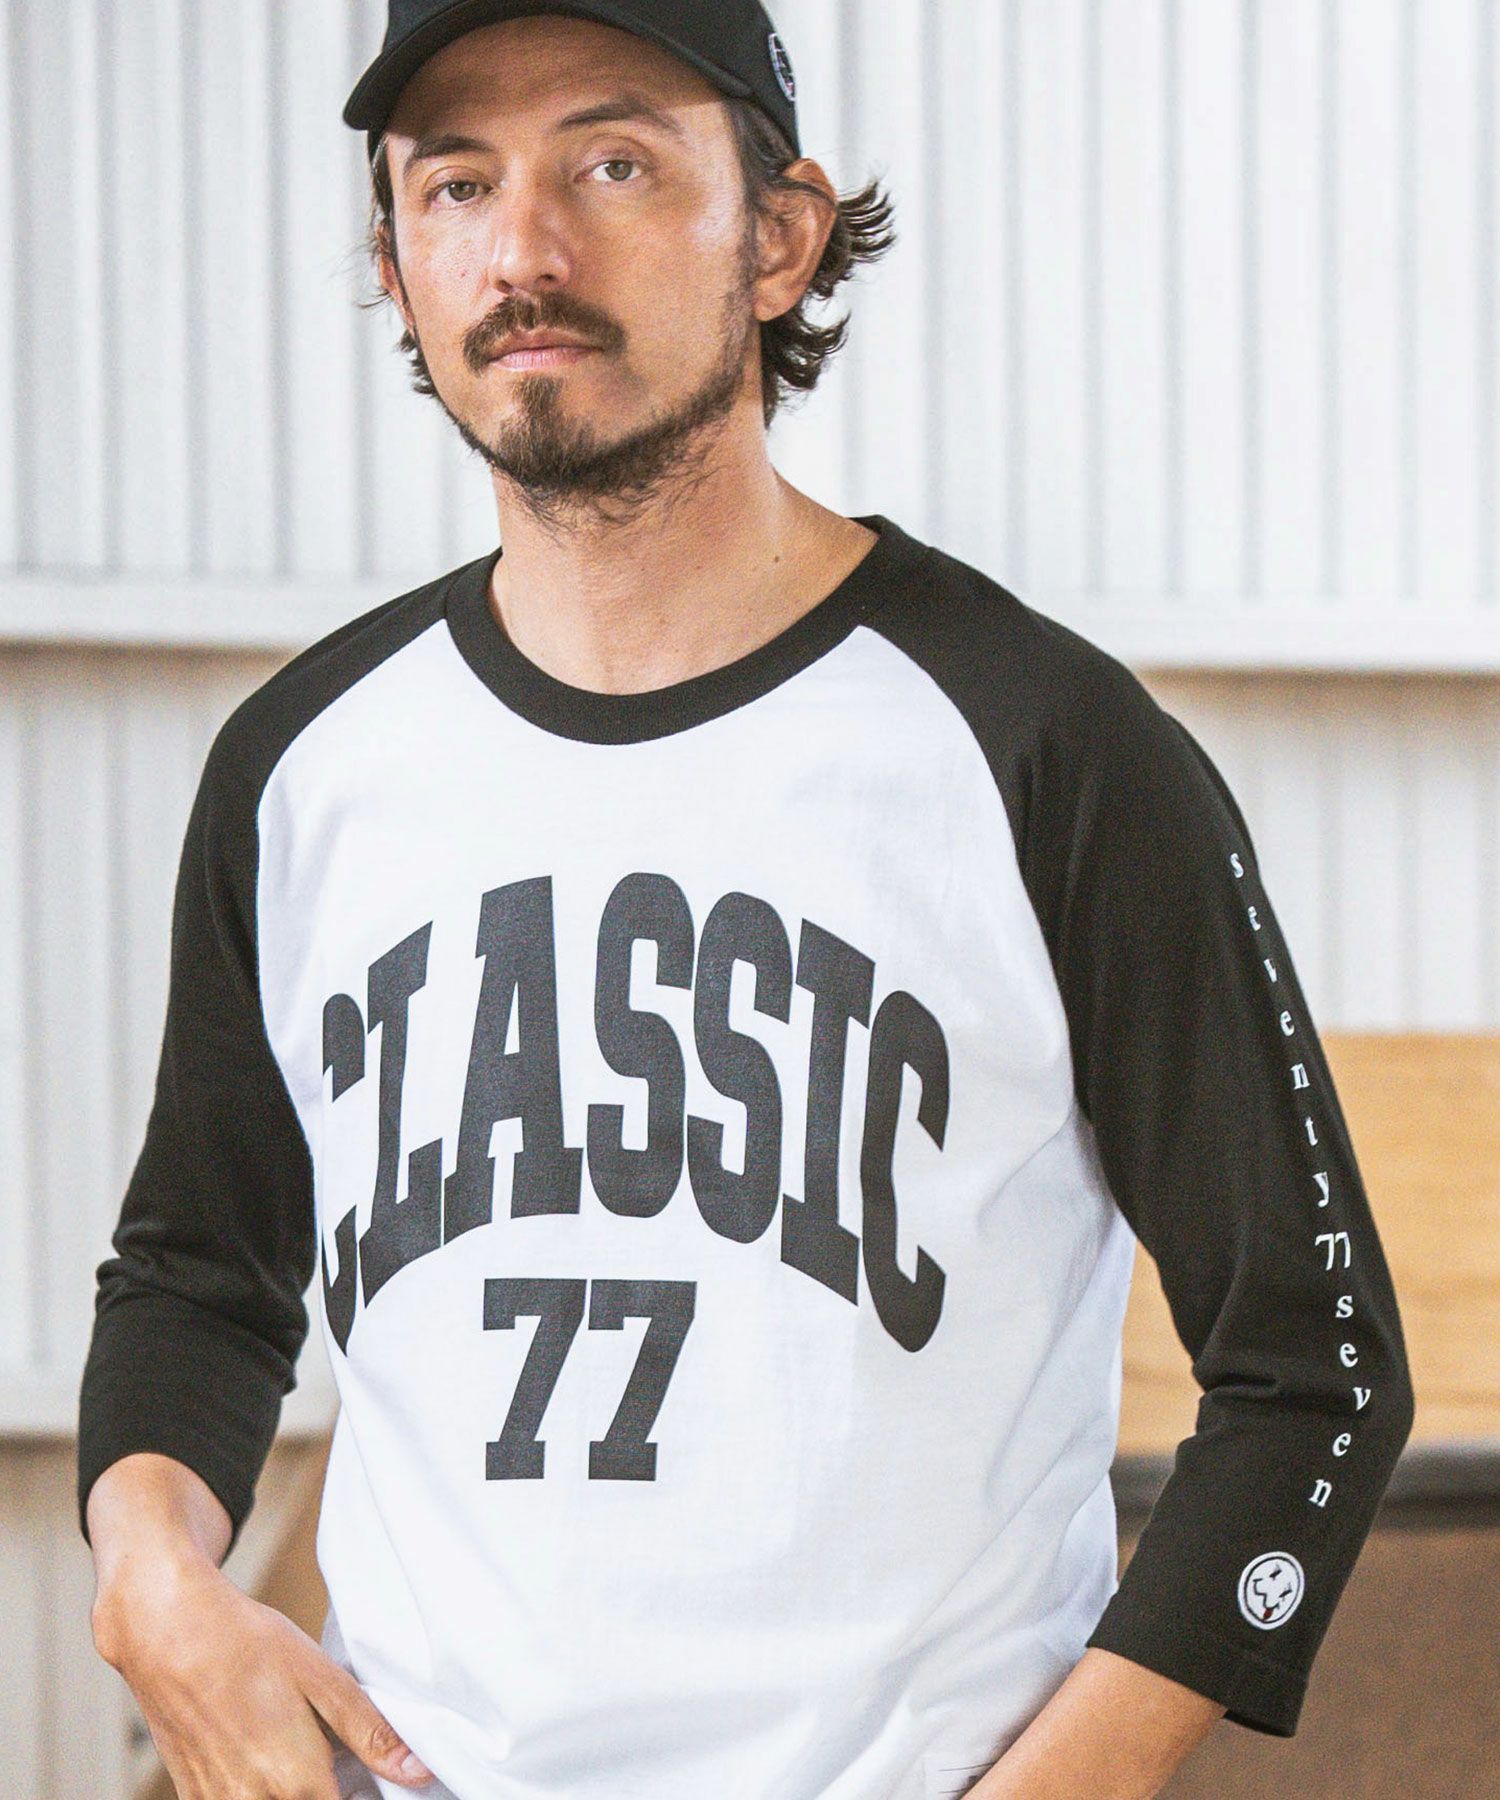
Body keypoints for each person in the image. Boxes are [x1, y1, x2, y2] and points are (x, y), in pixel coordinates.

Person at [76, 4, 1415, 1797]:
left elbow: (1314, 1368)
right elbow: (197, 1275)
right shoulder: (300, 766)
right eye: (456, 184)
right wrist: (151, 1573)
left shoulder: (1044, 746)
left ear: (779, 238)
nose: (525, 250)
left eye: (612, 164)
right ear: (395, 264)